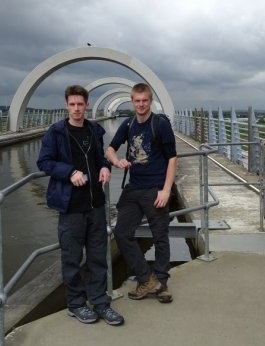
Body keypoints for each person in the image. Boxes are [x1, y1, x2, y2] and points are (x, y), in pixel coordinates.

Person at [37, 85, 124, 326]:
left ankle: (100, 302)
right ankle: (75, 304)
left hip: (95, 203)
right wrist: (69, 172)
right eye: (72, 104)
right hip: (70, 206)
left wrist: (105, 166)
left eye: (80, 104)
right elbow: (44, 162)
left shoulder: (94, 130)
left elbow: (99, 158)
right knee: (72, 258)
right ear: (66, 106)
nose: (76, 108)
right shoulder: (55, 132)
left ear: (87, 105)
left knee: (97, 257)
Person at [106, 83, 177, 303]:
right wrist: (116, 161)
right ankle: (147, 278)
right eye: (137, 101)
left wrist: (166, 190)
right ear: (132, 101)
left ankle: (161, 282)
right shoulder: (128, 124)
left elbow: (172, 158)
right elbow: (110, 148)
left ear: (150, 100)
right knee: (122, 232)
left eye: (144, 100)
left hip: (155, 189)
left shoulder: (160, 124)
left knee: (160, 236)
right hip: (134, 188)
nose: (141, 104)